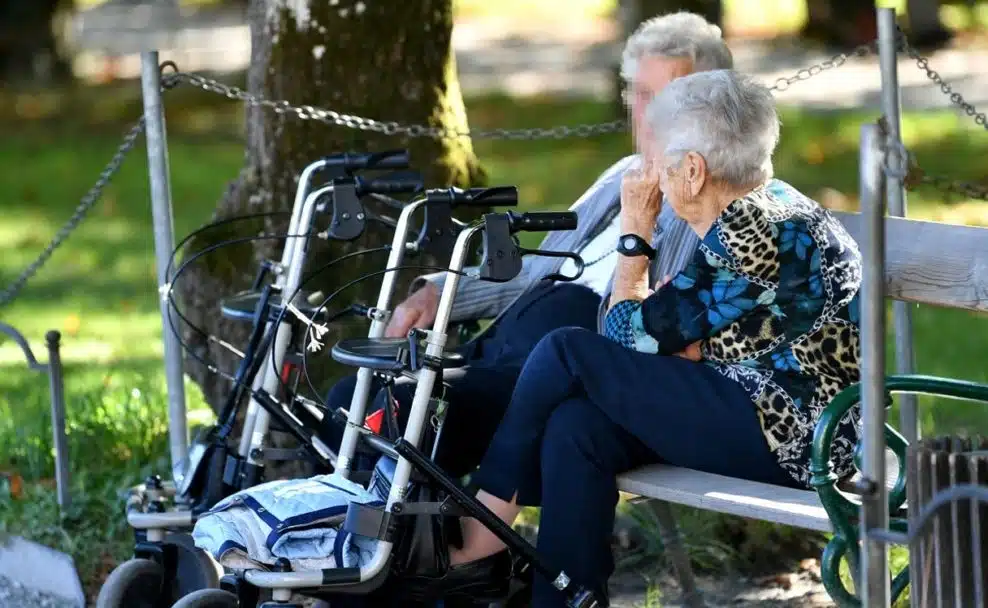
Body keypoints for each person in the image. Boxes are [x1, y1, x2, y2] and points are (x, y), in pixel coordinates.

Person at [438, 69, 865, 606]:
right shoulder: (767, 207)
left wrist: (635, 232)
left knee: (566, 351)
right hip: (760, 409)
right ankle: (566, 598)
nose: (649, 174)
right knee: (577, 428)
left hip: (799, 440)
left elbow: (623, 334)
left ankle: (488, 515)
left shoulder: (752, 230)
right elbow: (663, 337)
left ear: (692, 170)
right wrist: (680, 343)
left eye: (658, 160)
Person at [319, 11, 733, 475]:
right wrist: (444, 290)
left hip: (561, 370)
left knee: (400, 413)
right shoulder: (621, 174)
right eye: (641, 95)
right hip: (508, 343)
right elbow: (539, 266)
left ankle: (387, 545)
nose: (652, 114)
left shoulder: (713, 197)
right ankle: (333, 538)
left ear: (714, 105)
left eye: (671, 97)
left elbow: (660, 326)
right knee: (345, 400)